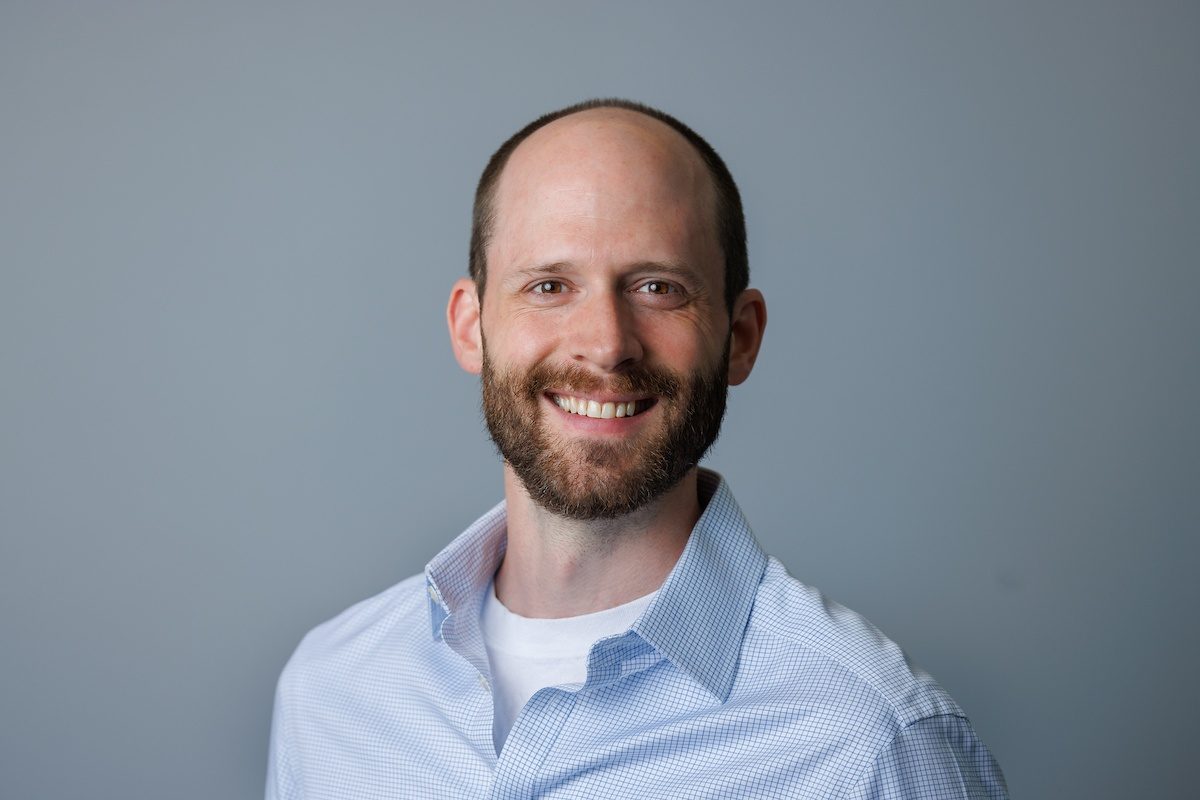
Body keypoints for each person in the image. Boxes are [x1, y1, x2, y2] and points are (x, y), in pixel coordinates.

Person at [266, 99, 1008, 799]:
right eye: (550, 285)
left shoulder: (871, 743)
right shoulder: (330, 692)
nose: (606, 344)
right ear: (471, 327)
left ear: (739, 338)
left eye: (657, 287)